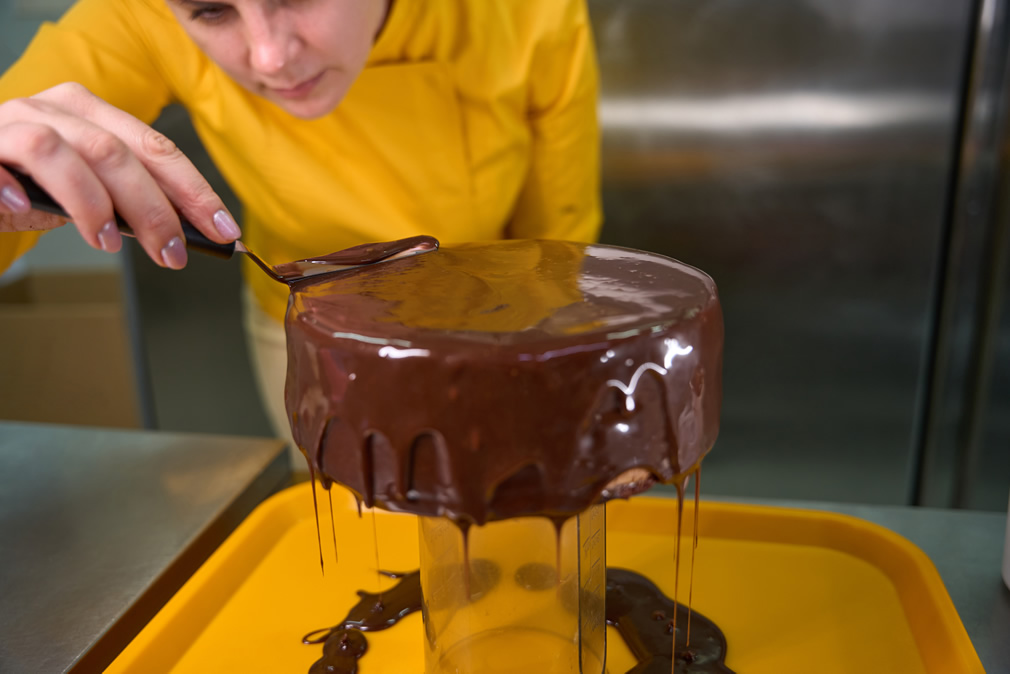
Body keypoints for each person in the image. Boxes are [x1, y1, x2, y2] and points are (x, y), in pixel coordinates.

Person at [0, 0, 601, 467]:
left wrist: (551, 372)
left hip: (501, 326)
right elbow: (20, 128)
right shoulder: (138, 14)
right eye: (210, 11)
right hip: (304, 326)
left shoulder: (523, 13)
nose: (270, 57)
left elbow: (560, 237)